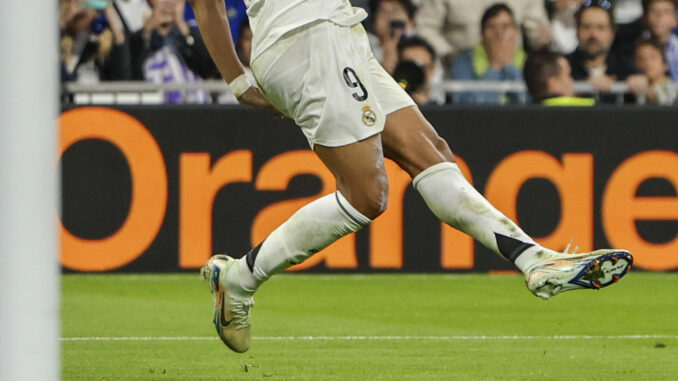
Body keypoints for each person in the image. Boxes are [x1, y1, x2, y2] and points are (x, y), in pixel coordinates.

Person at [188, 0, 633, 353]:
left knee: (432, 154)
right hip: (304, 39)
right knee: (366, 195)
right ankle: (239, 280)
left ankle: (534, 260)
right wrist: (234, 79)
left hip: (341, 32)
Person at [416, 0, 551, 69]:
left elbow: (537, 31)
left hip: (515, 69)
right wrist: (447, 53)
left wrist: (543, 40)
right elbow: (424, 26)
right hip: (460, 69)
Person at [450, 3, 527, 104]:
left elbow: (527, 100)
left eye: (505, 27)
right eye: (492, 27)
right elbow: (467, 104)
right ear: (481, 33)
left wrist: (508, 65)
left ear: (516, 32)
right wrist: (494, 66)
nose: (499, 34)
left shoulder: (530, 62)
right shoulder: (463, 62)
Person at [566, 2, 640, 101]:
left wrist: (640, 85)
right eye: (587, 27)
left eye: (600, 28)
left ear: (612, 34)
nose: (593, 34)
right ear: (577, 31)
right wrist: (584, 86)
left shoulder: (626, 68)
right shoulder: (563, 68)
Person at [523, 49, 595, 106]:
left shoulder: (522, 117)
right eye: (568, 75)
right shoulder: (590, 109)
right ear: (554, 84)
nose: (572, 81)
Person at [367, 0, 417, 74]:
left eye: (395, 11)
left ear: (410, 19)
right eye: (383, 12)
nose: (390, 17)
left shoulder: (420, 47)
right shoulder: (364, 44)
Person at [631, 38, 678, 104]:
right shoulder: (630, 88)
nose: (647, 62)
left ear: (665, 64)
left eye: (652, 57)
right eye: (641, 58)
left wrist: (649, 93)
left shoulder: (675, 89)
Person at [641, 0, 678, 81]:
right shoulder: (634, 49)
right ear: (645, 17)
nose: (659, 17)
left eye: (666, 12)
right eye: (653, 11)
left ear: (675, 19)